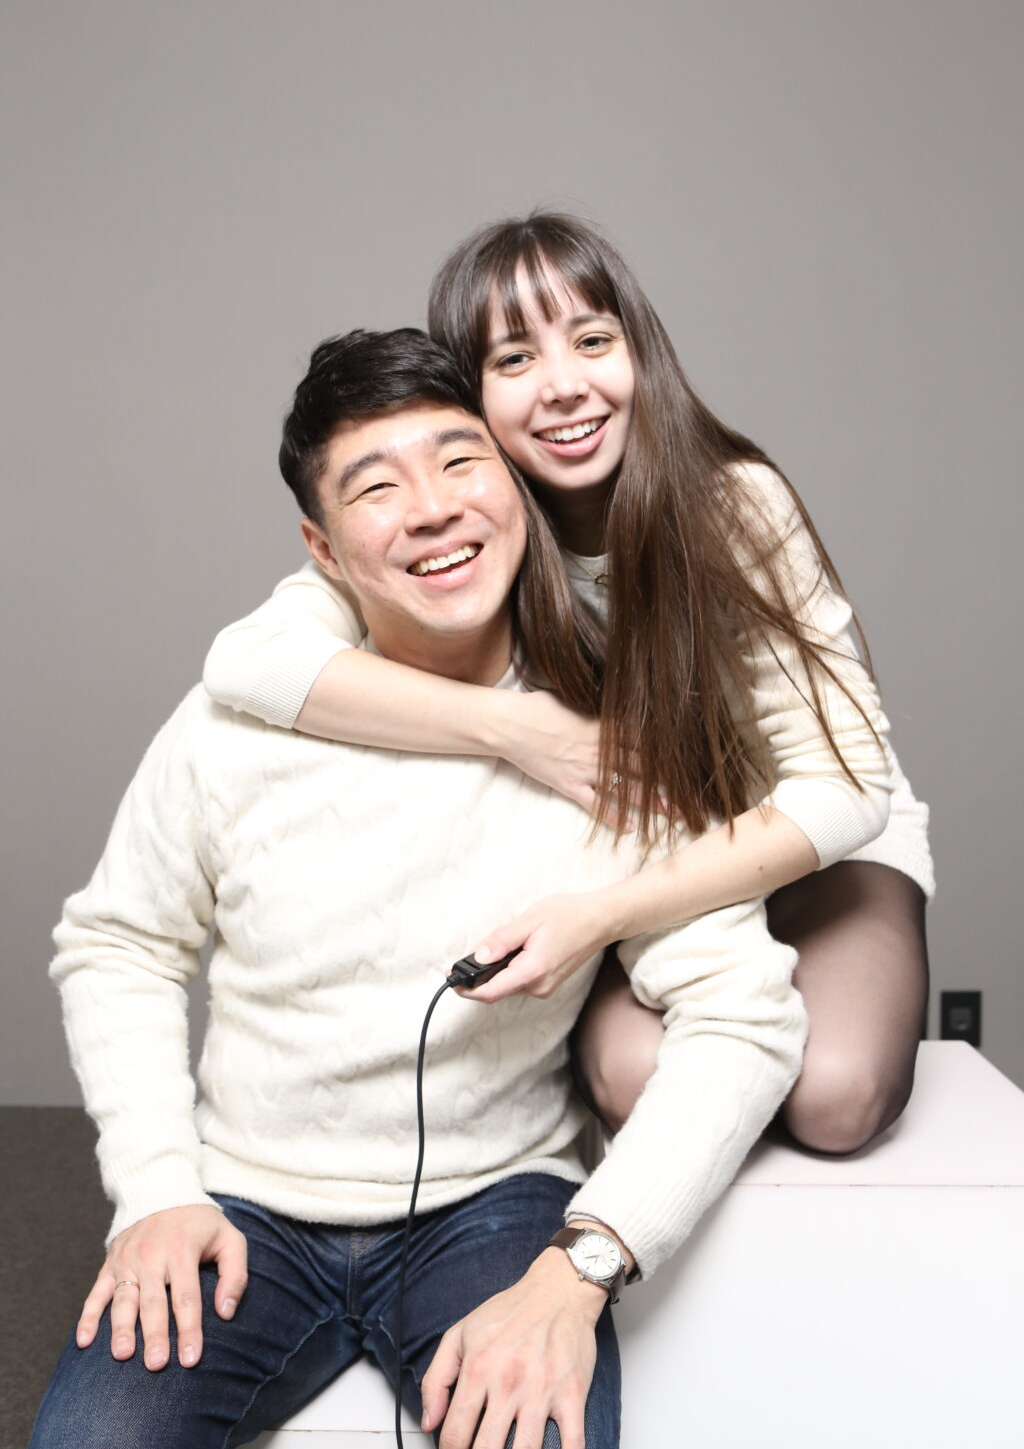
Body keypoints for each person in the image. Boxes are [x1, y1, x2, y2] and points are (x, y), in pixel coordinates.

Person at [33, 328, 806, 1449]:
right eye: (377, 488)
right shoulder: (230, 727)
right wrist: (156, 1186)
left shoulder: (609, 746)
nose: (433, 509)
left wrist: (581, 1266)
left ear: (518, 486)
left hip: (494, 1206)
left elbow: (742, 1012)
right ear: (324, 547)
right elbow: (120, 945)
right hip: (241, 1198)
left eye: (459, 462)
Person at [203, 212, 933, 1156]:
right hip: (650, 865)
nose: (564, 387)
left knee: (834, 1100)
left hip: (812, 858)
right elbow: (251, 664)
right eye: (514, 361)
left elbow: (846, 790)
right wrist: (519, 730)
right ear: (471, 398)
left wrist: (600, 918)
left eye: (593, 341)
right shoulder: (472, 523)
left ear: (640, 353)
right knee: (636, 1084)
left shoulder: (733, 504)